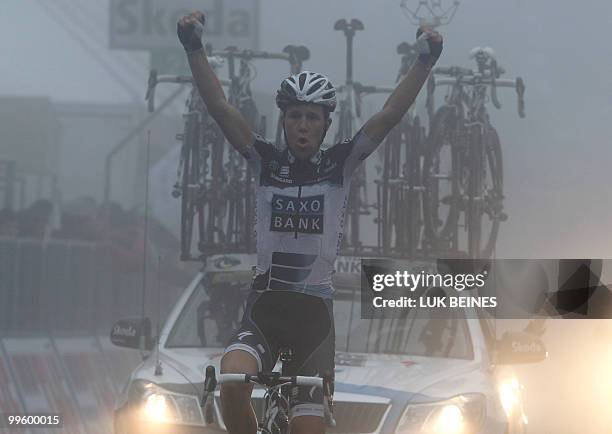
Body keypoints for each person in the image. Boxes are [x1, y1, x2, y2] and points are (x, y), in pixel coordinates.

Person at [177, 11, 442, 434]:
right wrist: (193, 49)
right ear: (283, 121)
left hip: (313, 323)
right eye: (295, 116)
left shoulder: (341, 164)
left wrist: (424, 62)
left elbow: (390, 113)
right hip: (264, 310)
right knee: (229, 381)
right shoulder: (265, 161)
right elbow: (222, 109)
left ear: (326, 124)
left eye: (312, 117)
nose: (303, 125)